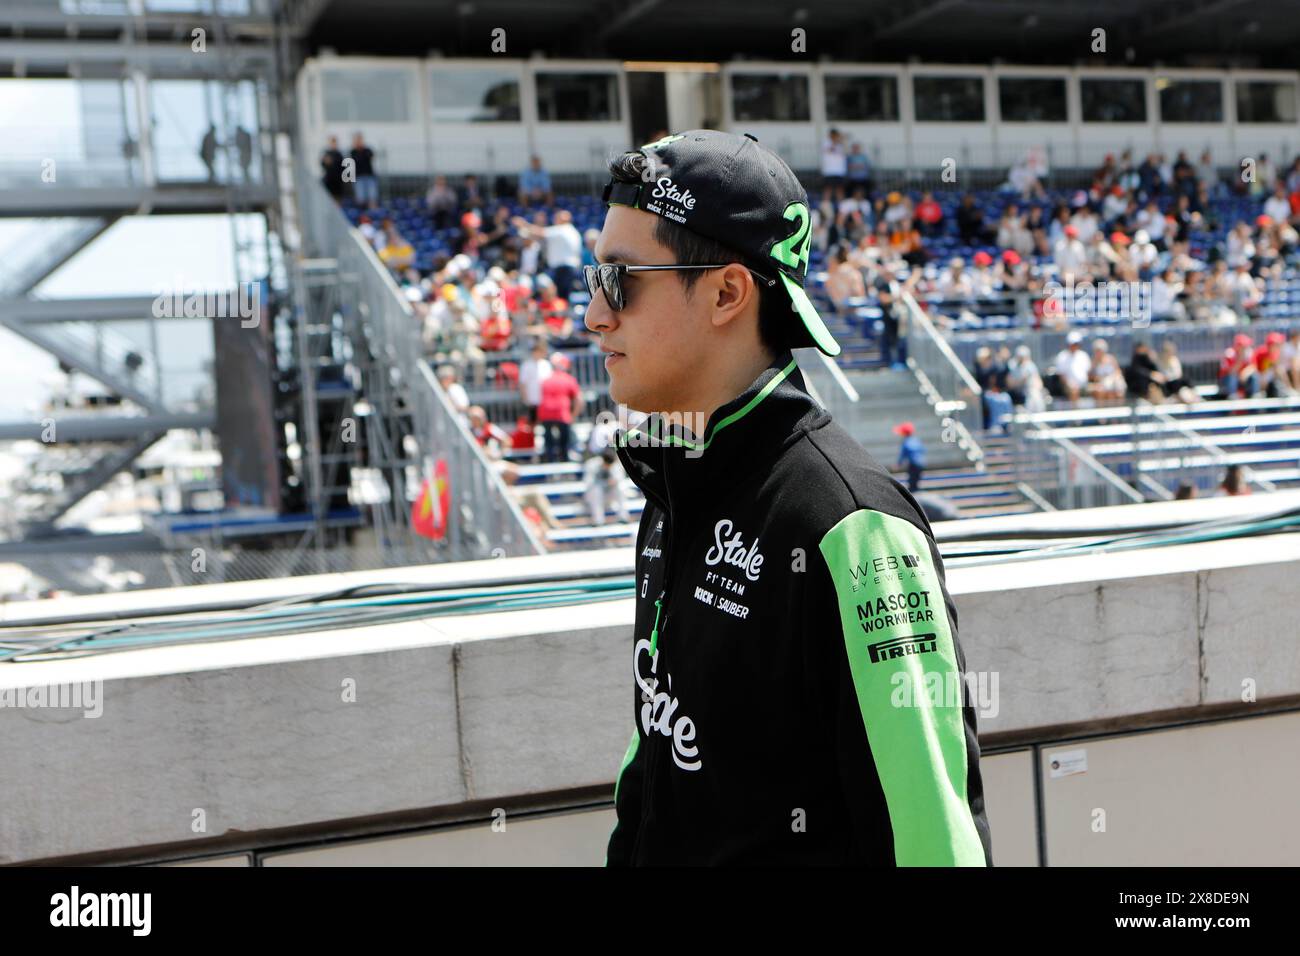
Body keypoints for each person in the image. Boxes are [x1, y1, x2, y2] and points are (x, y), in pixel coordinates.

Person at [590, 129, 991, 866]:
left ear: (726, 292)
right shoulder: (679, 480)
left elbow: (931, 840)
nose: (593, 313)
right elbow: (659, 745)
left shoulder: (853, 525)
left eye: (620, 279)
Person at [537, 351, 582, 463]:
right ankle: (564, 463)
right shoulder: (569, 379)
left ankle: (550, 463)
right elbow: (579, 400)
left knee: (549, 442)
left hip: (546, 412)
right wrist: (573, 415)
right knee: (564, 443)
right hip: (562, 413)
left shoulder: (545, 380)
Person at [582, 446, 630, 526]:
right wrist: (604, 483)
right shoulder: (592, 464)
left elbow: (620, 479)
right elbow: (588, 482)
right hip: (594, 496)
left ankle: (623, 517)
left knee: (621, 487)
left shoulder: (615, 465)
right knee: (596, 490)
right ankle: (598, 521)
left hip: (609, 496)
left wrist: (613, 481)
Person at [517, 338, 552, 428]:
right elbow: (522, 383)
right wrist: (525, 398)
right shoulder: (526, 365)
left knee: (546, 422)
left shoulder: (546, 364)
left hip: (545, 400)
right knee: (532, 423)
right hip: (532, 399)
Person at [1052, 330, 1092, 403]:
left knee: (1100, 390)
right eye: (1072, 344)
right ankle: (1077, 413)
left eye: (1076, 344)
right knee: (1074, 391)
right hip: (1068, 386)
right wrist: (1069, 384)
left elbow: (1088, 373)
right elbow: (1061, 376)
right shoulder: (1062, 356)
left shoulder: (1084, 355)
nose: (1074, 346)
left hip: (1083, 385)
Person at [893, 421, 926, 492]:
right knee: (915, 481)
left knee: (912, 482)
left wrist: (898, 465)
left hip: (913, 464)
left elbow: (902, 455)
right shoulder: (916, 440)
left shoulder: (906, 442)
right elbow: (923, 450)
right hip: (921, 464)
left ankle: (913, 494)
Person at [349, 133, 378, 208]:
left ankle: (373, 213)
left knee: (372, 197)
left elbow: (370, 157)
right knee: (360, 198)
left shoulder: (367, 150)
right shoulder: (353, 151)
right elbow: (356, 161)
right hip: (358, 177)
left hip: (369, 176)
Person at [320, 136, 345, 201]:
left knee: (338, 198)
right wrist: (326, 162)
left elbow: (343, 167)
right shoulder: (326, 153)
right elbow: (323, 165)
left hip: (338, 181)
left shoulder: (339, 154)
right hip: (329, 180)